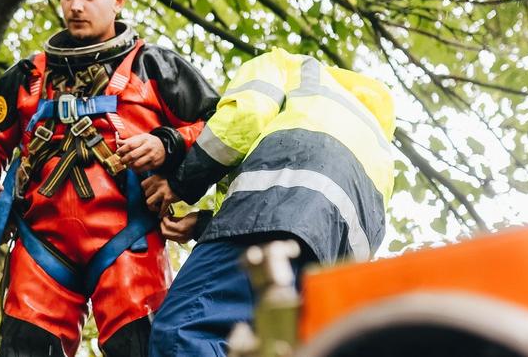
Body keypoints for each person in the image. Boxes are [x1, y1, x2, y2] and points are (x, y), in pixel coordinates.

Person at [0, 0, 219, 356]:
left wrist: (167, 144)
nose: (75, 6)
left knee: (146, 348)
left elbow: (219, 127)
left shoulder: (155, 68)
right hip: (40, 251)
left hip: (127, 245)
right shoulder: (29, 75)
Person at [143, 48, 396, 356]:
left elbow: (244, 119)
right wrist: (204, 223)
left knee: (186, 330)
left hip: (266, 219)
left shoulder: (290, 66)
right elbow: (315, 215)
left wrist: (179, 183)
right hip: (328, 273)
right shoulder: (381, 151)